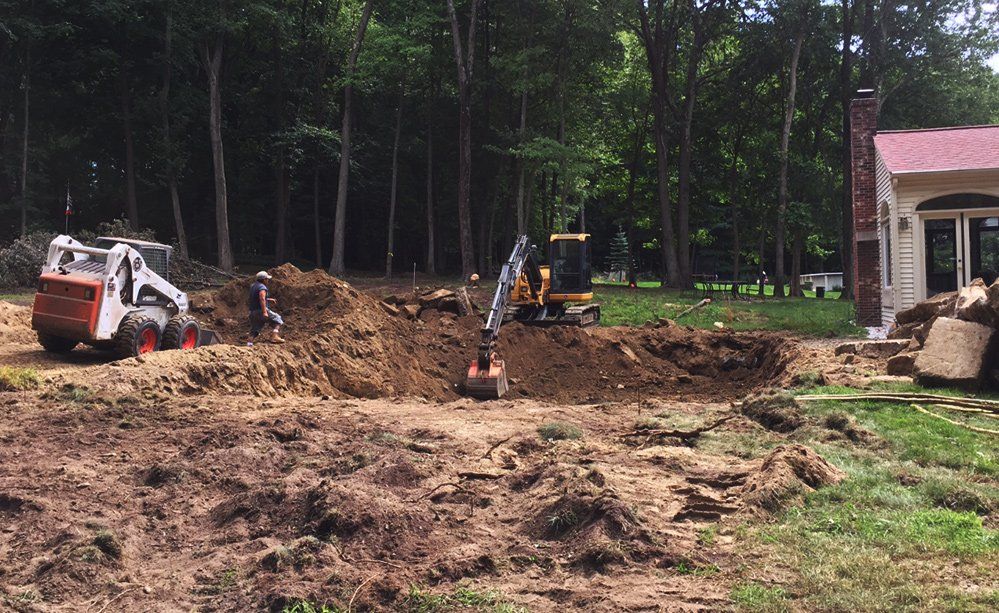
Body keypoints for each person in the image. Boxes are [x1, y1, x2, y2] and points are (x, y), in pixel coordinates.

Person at [247, 271, 285, 345]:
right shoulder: (262, 287)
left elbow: (256, 298)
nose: (268, 281)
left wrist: (268, 299)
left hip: (253, 312)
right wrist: (264, 312)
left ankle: (249, 345)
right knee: (278, 319)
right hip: (260, 310)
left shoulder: (253, 286)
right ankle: (274, 337)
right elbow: (261, 298)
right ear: (264, 279)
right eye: (267, 279)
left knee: (254, 330)